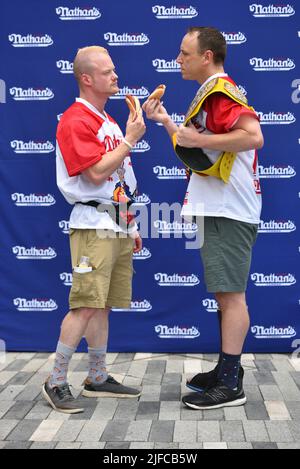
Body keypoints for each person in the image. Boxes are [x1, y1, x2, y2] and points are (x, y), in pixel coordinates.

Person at [143, 27, 264, 410]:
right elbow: (195, 154)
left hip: (228, 209)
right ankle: (227, 370)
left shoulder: (219, 92)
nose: (178, 59)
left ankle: (231, 384)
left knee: (231, 296)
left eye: (184, 53)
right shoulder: (208, 94)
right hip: (219, 207)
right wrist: (165, 120)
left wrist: (204, 140)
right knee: (224, 293)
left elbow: (254, 136)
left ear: (206, 56)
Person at [42, 46, 146, 414]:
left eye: (114, 70)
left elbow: (120, 180)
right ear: (87, 79)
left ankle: (97, 376)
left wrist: (130, 223)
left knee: (102, 306)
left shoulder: (108, 120)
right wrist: (131, 140)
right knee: (86, 304)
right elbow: (95, 173)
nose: (115, 76)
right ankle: (55, 380)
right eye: (107, 72)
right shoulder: (75, 119)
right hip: (91, 224)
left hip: (114, 223)